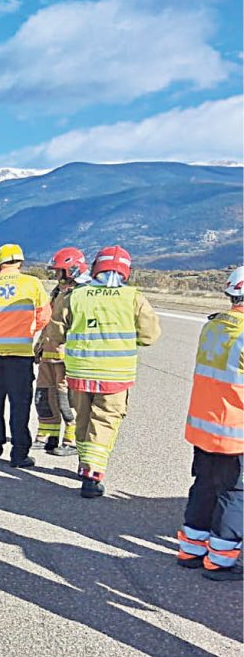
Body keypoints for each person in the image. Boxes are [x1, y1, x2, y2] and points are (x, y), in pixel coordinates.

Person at [55, 245, 160, 498]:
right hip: (115, 376)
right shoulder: (133, 298)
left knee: (83, 418)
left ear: (95, 268)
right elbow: (149, 337)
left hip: (80, 372)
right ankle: (93, 475)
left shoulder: (77, 295)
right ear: (127, 272)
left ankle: (84, 464)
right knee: (104, 420)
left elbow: (56, 331)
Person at [176, 266, 243, 582]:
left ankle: (190, 549)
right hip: (236, 430)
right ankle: (220, 559)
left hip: (206, 426)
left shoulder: (213, 326)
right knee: (235, 494)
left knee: (204, 485)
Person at [0, 244, 51, 468]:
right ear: (20, 262)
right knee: (19, 406)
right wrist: (27, 329)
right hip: (21, 357)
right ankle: (19, 455)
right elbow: (45, 316)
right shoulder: (32, 283)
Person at [33, 247, 90, 457]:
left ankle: (72, 439)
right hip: (48, 354)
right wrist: (39, 346)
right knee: (43, 396)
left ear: (72, 270)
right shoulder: (58, 292)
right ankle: (48, 435)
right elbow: (49, 323)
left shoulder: (82, 294)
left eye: (60, 271)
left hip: (66, 357)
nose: (57, 276)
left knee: (67, 399)